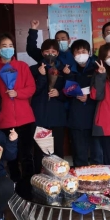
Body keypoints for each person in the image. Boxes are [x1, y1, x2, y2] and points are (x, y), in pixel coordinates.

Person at [0, 33, 36, 188]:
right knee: (11, 156)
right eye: (4, 46)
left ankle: (29, 184)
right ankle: (15, 184)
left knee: (27, 154)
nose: (8, 49)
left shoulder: (22, 66)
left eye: (10, 46)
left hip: (25, 117)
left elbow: (31, 88)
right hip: (4, 119)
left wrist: (18, 93)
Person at [30, 39, 68, 169]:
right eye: (47, 51)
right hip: (40, 116)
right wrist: (41, 76)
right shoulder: (34, 69)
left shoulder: (64, 69)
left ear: (57, 53)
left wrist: (59, 94)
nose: (50, 54)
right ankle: (39, 178)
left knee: (58, 151)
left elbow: (70, 92)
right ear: (42, 53)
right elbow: (33, 92)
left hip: (57, 117)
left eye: (53, 51)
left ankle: (59, 177)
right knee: (40, 152)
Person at [64, 39, 102, 167]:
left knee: (97, 154)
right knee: (79, 154)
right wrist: (68, 76)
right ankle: (80, 177)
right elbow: (65, 92)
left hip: (95, 116)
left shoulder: (97, 68)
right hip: (76, 117)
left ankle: (99, 177)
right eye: (78, 51)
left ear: (89, 52)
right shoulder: (68, 70)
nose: (81, 54)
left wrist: (89, 98)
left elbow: (102, 91)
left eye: (84, 51)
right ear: (73, 54)